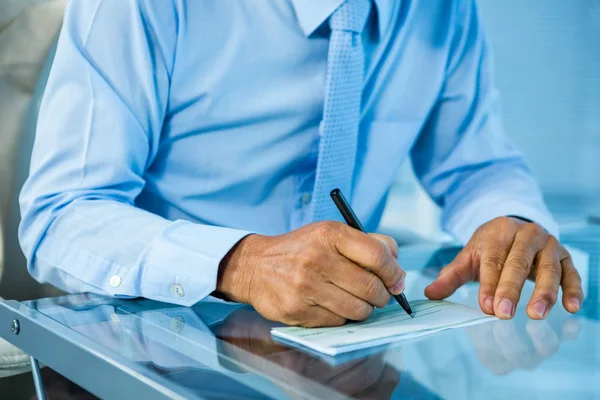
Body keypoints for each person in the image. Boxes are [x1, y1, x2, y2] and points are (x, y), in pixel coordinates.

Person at [19, 0, 583, 328]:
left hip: (351, 358)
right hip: (152, 343)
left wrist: (510, 220)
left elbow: (476, 164)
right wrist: (239, 264)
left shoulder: (446, 10)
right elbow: (61, 214)